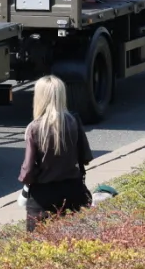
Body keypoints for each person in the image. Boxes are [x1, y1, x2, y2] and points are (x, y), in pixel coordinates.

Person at [19, 75, 92, 231]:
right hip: (73, 189)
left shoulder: (34, 128)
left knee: (38, 240)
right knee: (75, 236)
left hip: (43, 195)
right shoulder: (74, 121)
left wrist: (26, 181)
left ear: (39, 98)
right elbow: (85, 157)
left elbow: (28, 171)